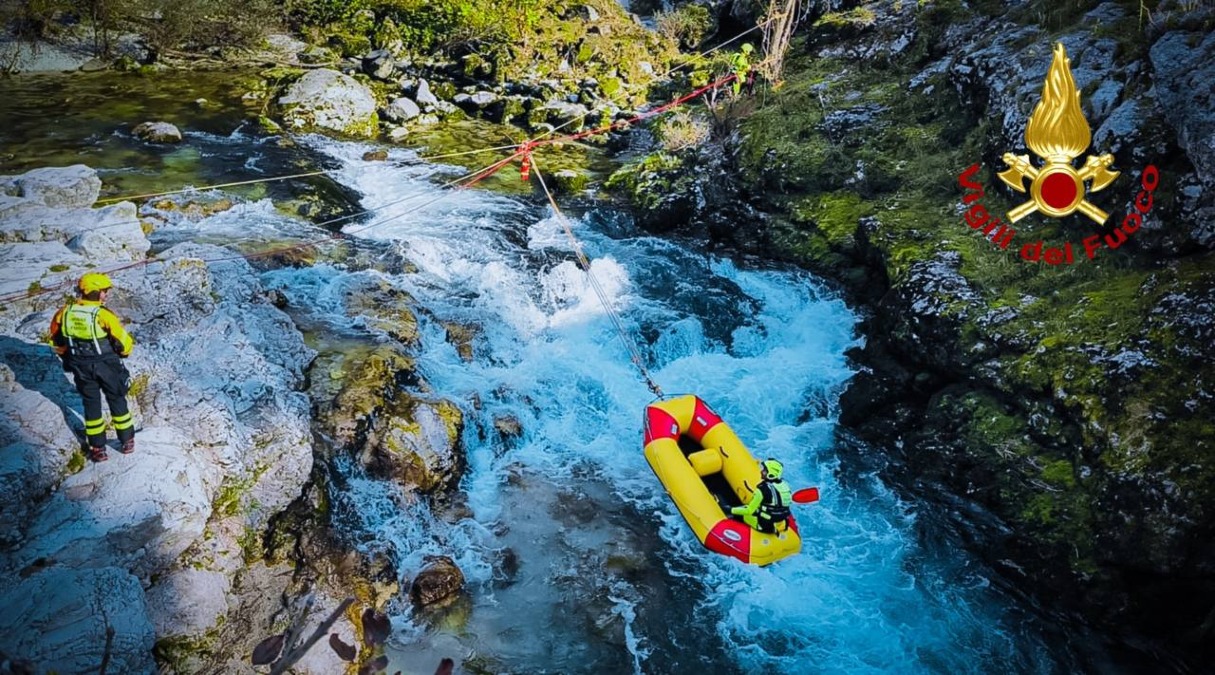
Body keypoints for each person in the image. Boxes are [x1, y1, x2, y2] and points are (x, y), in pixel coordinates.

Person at [49, 272, 136, 462]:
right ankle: (127, 440)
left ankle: (97, 448)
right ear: (96, 293)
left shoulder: (64, 312)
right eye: (104, 291)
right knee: (116, 398)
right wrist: (123, 354)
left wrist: (66, 354)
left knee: (91, 403)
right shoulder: (103, 314)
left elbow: (56, 338)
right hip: (106, 365)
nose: (106, 295)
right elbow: (123, 343)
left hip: (80, 366)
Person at [731, 458, 793, 533]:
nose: (761, 472)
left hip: (764, 525)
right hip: (779, 521)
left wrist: (730, 510)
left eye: (764, 471)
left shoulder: (762, 489)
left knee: (739, 513)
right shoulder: (785, 486)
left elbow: (749, 511)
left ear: (771, 475)